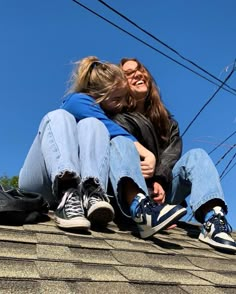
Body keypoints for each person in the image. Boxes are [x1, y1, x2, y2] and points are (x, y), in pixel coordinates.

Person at [19, 56, 186, 239]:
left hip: (80, 193)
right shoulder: (78, 101)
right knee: (59, 117)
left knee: (93, 124)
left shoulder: (101, 120)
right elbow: (95, 116)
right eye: (117, 99)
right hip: (42, 184)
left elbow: (106, 127)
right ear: (99, 96)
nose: (122, 103)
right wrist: (145, 152)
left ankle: (92, 193)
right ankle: (67, 190)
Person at [111, 57, 236, 253]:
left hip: (166, 191)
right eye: (128, 73)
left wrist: (160, 179)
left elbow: (172, 154)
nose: (137, 74)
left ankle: (213, 220)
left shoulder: (168, 123)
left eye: (140, 70)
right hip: (134, 195)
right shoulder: (118, 119)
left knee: (197, 156)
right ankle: (146, 213)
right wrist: (150, 186)